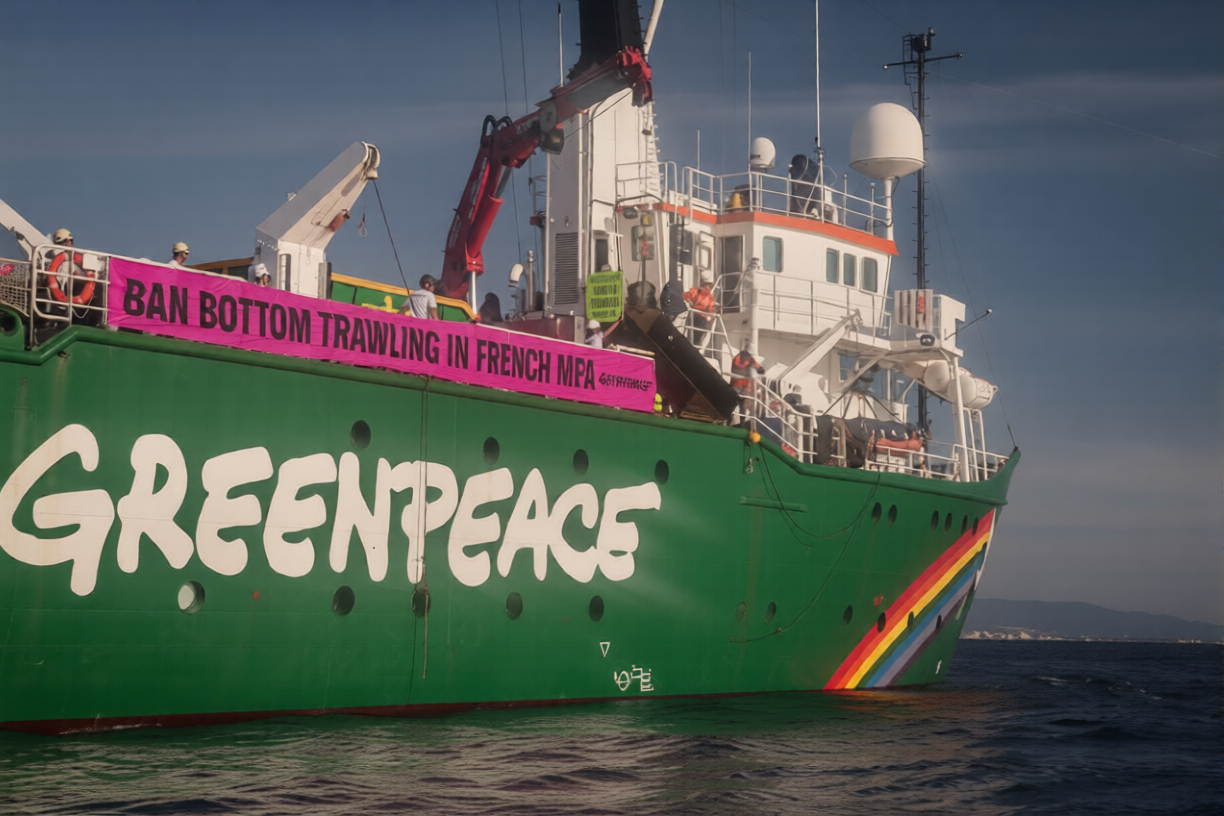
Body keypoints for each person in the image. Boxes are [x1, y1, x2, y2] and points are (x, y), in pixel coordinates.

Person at [730, 340, 765, 410]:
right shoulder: (739, 357)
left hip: (743, 386)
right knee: (734, 402)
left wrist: (760, 369)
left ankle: (741, 416)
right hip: (737, 384)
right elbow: (737, 366)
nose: (750, 355)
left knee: (742, 405)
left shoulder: (749, 359)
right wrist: (748, 367)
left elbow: (757, 366)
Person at [684, 278, 716, 348]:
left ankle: (695, 346)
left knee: (697, 335)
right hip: (695, 316)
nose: (709, 287)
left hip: (701, 317)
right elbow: (686, 296)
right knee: (692, 334)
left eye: (710, 286)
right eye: (708, 285)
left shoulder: (709, 296)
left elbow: (711, 309)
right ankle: (693, 346)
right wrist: (690, 302)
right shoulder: (695, 291)